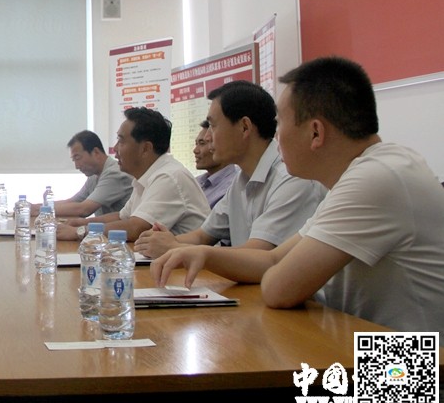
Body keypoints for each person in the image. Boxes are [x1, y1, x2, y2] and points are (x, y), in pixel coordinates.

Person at [152, 57, 444, 336]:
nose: (276, 137)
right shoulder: (362, 174)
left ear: (315, 132)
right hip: (365, 342)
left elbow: (278, 288)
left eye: (280, 124)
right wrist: (204, 254)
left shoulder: (376, 178)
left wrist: (216, 257)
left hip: (417, 362)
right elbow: (272, 260)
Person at [135, 81, 326, 259]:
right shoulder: (241, 179)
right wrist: (164, 242)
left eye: (213, 126)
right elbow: (202, 236)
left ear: (244, 127)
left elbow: (259, 253)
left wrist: (175, 248)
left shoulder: (290, 179)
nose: (208, 137)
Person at [58, 107, 208, 241]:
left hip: (190, 263)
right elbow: (121, 217)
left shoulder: (169, 177)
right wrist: (82, 222)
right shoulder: (145, 177)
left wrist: (80, 231)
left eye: (121, 141)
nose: (115, 148)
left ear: (145, 148)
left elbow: (136, 227)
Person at [32, 130, 132, 219]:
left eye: (78, 158)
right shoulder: (94, 175)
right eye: (74, 160)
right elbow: (73, 201)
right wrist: (37, 207)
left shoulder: (114, 173)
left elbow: (84, 209)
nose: (77, 166)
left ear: (96, 152)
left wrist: (38, 210)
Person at [192, 120, 236, 209]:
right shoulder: (196, 182)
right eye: (196, 144)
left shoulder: (232, 188)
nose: (195, 150)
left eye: (202, 143)